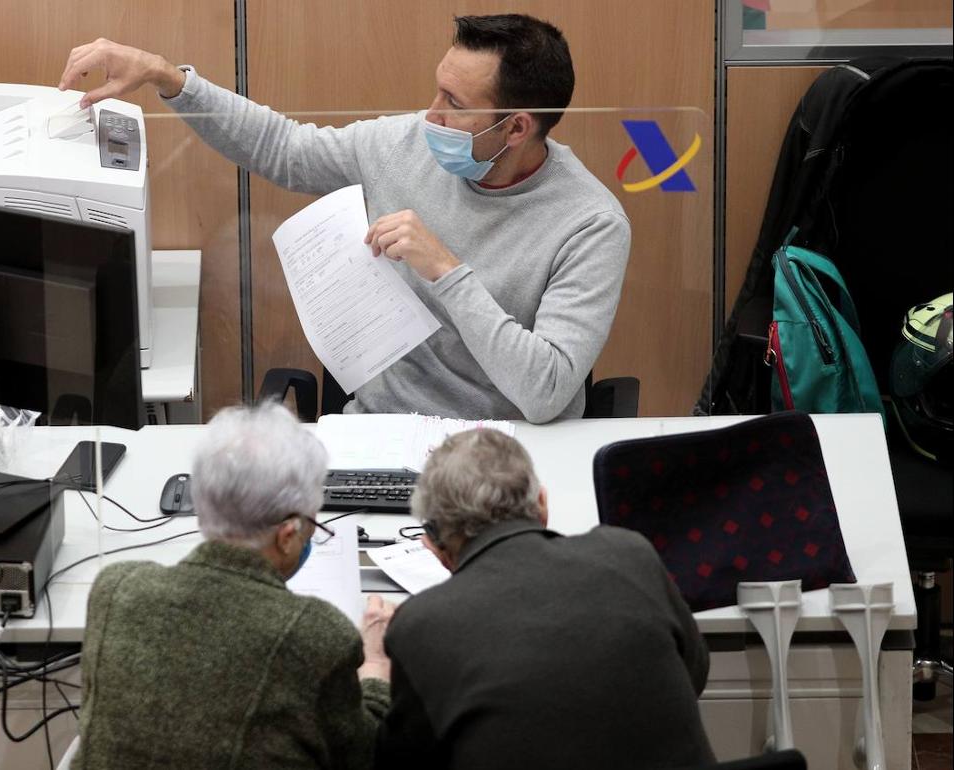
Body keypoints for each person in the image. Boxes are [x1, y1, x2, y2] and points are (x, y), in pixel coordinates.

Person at [59, 14, 631, 423]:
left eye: (456, 105)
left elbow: (547, 391)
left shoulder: (590, 223)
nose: (430, 114)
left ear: (517, 128)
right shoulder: (407, 143)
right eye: (437, 90)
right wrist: (169, 77)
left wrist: (447, 271)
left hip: (507, 450)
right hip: (380, 432)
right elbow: (283, 148)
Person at [73, 402, 394, 769]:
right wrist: (376, 665)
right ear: (288, 536)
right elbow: (367, 756)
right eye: (312, 522)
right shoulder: (317, 635)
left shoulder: (115, 588)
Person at [375, 429, 714, 769]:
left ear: (434, 545)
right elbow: (694, 674)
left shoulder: (420, 625)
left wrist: (373, 673)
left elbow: (402, 760)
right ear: (542, 505)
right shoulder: (631, 554)